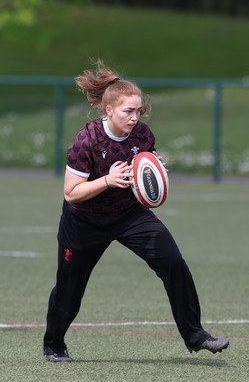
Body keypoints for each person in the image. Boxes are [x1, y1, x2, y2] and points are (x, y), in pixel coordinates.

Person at [43, 60, 229, 362]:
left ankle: (195, 335)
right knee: (69, 289)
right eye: (128, 111)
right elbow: (71, 193)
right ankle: (54, 344)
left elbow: (146, 165)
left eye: (138, 110)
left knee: (173, 263)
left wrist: (154, 170)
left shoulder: (142, 135)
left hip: (129, 215)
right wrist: (107, 180)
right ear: (109, 110)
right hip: (84, 221)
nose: (134, 117)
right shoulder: (86, 142)